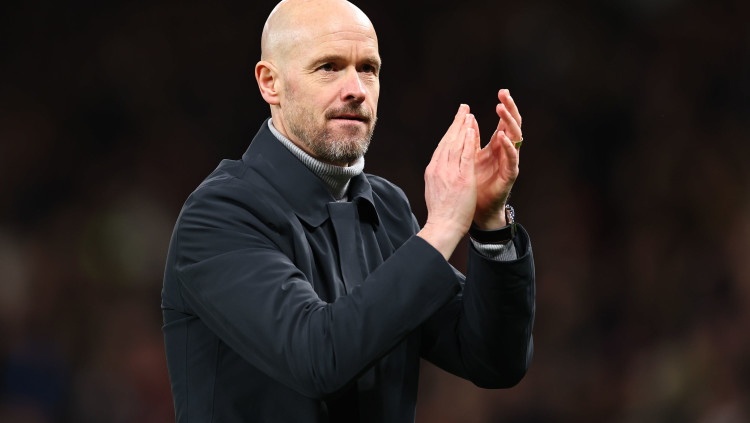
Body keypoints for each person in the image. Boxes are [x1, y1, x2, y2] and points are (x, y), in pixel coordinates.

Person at [161, 0, 535, 421]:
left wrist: (489, 226)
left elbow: (493, 361)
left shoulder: (387, 209)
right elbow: (317, 358)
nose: (356, 89)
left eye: (368, 68)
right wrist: (445, 225)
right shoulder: (217, 215)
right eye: (329, 67)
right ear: (270, 83)